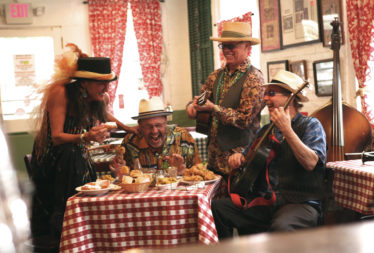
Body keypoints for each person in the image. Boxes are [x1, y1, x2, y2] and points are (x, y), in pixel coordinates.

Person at [30, 43, 136, 247]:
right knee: (74, 155)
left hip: (77, 155)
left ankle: (88, 231)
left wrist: (128, 128)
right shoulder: (60, 93)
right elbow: (57, 137)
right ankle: (65, 230)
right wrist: (85, 137)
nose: (106, 88)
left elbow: (104, 115)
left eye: (108, 83)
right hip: (55, 160)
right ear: (84, 82)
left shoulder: (97, 97)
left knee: (80, 159)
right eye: (100, 83)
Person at [211, 70, 327, 239]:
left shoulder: (311, 126)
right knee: (218, 208)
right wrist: (238, 159)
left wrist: (287, 130)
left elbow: (311, 163)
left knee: (282, 227)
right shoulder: (265, 130)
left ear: (291, 97)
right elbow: (246, 157)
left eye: (271, 93)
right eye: (265, 94)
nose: (265, 99)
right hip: (265, 202)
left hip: (299, 202)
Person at [186, 22, 265, 189]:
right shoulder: (215, 76)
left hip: (239, 158)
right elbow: (201, 101)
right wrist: (192, 108)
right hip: (214, 158)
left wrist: (212, 108)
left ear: (247, 47)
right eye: (224, 46)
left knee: (236, 207)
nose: (227, 50)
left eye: (232, 46)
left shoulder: (254, 78)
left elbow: (244, 119)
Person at [121, 96, 202, 175]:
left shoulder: (184, 137)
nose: (154, 131)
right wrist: (118, 171)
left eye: (158, 125)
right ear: (140, 125)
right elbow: (121, 177)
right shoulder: (129, 143)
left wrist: (183, 173)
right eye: (148, 126)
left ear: (166, 121)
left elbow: (200, 172)